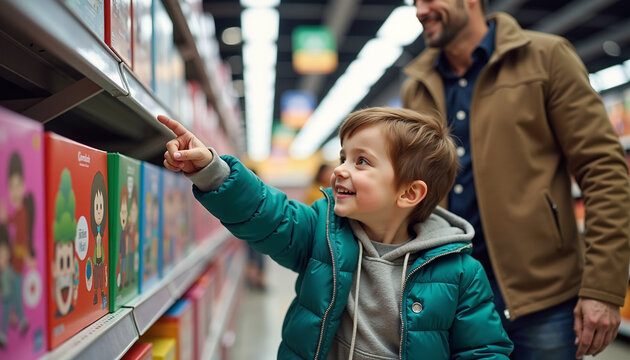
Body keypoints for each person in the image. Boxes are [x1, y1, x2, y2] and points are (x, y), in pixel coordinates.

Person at [157, 107, 513, 359]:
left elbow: (483, 351)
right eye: (343, 157)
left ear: (408, 193)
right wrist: (212, 171)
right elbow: (266, 213)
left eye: (361, 161)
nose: (340, 171)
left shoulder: (462, 273)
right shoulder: (321, 233)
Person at [401, 1, 630, 359]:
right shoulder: (416, 87)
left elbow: (603, 169)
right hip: (448, 298)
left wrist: (603, 287)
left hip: (541, 298)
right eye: (414, 1)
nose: (419, 10)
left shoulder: (546, 57)